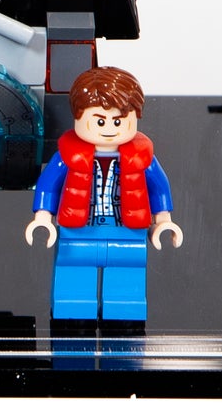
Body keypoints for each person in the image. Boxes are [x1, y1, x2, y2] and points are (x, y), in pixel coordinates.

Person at [24, 65, 180, 329]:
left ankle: (124, 311)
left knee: (126, 279)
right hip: (79, 230)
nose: (109, 128)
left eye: (118, 121)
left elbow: (159, 187)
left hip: (127, 231)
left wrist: (163, 221)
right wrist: (42, 218)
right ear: (77, 117)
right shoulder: (67, 156)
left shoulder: (142, 158)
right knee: (74, 278)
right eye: (99, 121)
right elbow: (48, 186)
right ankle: (73, 311)